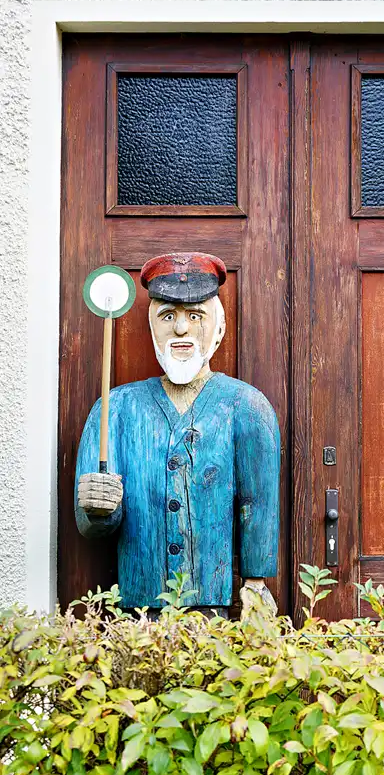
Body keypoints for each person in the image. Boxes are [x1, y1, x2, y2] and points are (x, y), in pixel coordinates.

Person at [75, 252, 280, 616]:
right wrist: (97, 509)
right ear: (152, 326)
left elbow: (258, 504)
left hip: (214, 607)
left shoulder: (247, 406)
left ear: (218, 326)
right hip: (139, 609)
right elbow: (93, 526)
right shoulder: (115, 409)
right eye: (168, 316)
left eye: (195, 316)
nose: (181, 330)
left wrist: (255, 582)